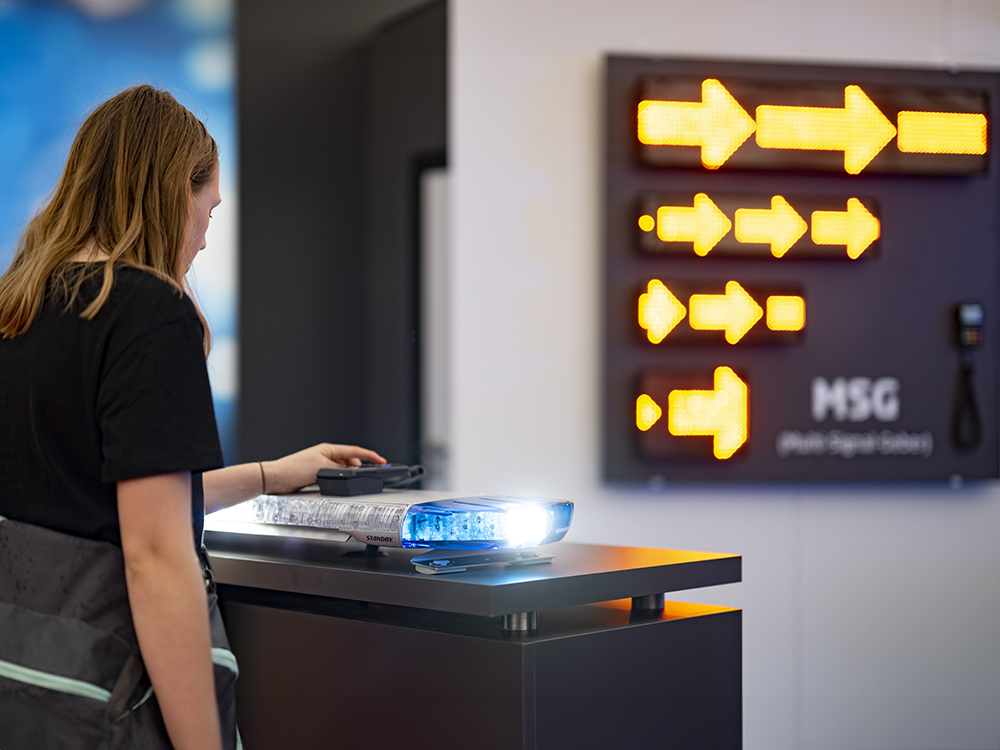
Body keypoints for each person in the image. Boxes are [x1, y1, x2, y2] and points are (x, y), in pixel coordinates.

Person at [0, 84, 384, 750]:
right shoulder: (146, 311)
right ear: (176, 188)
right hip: (106, 703)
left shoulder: (21, 305)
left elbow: (92, 497)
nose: (204, 239)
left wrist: (271, 473)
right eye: (207, 211)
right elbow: (154, 554)